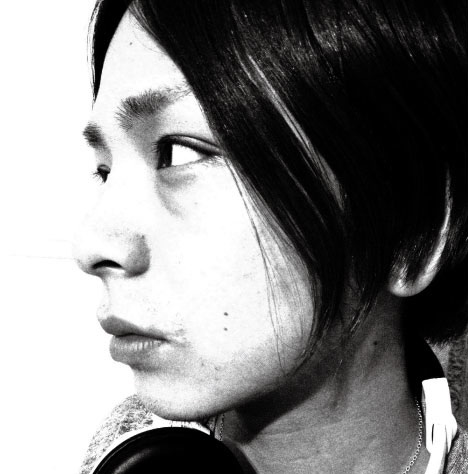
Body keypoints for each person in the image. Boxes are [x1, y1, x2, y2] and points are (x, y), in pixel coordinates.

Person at [74, 0, 468, 472]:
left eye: (178, 153)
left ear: (414, 232)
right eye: (105, 170)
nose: (92, 246)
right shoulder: (127, 451)